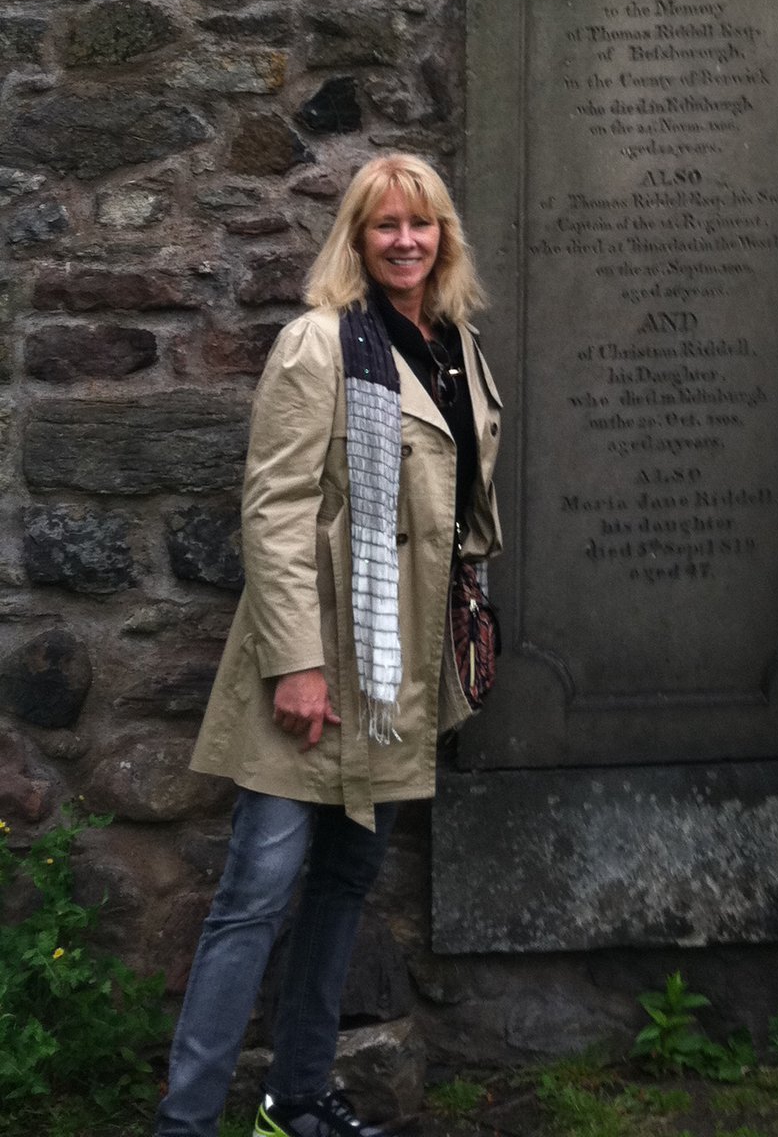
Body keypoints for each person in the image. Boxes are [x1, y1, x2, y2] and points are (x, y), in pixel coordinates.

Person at [156, 153, 502, 1137]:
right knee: (255, 894)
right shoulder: (319, 344)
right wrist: (295, 664)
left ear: (443, 236)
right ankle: (184, 1121)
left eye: (422, 223)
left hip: (400, 667)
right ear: (355, 238)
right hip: (316, 664)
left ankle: (296, 1096)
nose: (405, 240)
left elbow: (463, 498)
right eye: (384, 224)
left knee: (346, 882)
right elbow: (272, 510)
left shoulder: (454, 346)